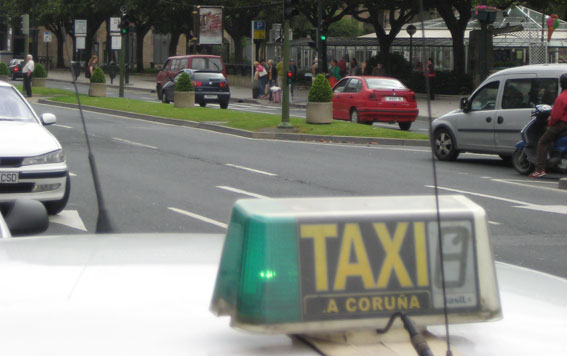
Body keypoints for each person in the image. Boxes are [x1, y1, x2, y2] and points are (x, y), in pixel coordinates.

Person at [530, 73, 567, 178]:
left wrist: (550, 124)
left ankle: (539, 169)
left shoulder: (562, 98)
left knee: (542, 142)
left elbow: (556, 116)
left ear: (562, 84)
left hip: (562, 124)